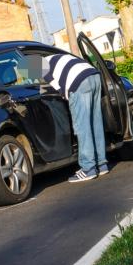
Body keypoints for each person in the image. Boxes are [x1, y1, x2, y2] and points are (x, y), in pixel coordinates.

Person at [42, 53, 108, 183]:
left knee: (82, 126)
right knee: (96, 122)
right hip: (93, 76)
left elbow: (57, 86)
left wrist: (68, 97)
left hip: (78, 82)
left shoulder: (36, 65)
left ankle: (88, 168)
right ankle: (101, 164)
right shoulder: (54, 58)